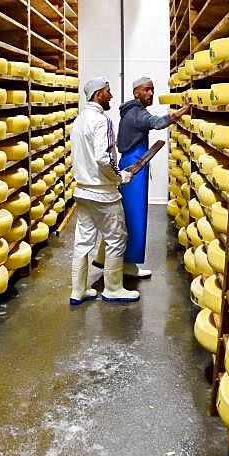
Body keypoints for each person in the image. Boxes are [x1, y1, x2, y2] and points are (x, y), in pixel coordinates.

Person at [110, 76, 191, 277]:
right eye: (146, 90)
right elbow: (157, 123)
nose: (151, 93)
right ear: (136, 92)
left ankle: (127, 262)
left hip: (133, 163)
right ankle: (126, 265)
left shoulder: (130, 111)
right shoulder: (137, 113)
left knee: (130, 215)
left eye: (152, 90)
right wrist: (182, 111)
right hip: (134, 167)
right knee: (134, 216)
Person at [70, 77, 140, 304]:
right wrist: (119, 176)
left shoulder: (79, 120)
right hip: (103, 193)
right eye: (108, 92)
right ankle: (113, 288)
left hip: (82, 190)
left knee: (83, 241)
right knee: (117, 238)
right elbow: (103, 158)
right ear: (98, 94)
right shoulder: (102, 120)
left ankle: (77, 291)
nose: (111, 96)